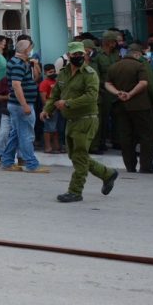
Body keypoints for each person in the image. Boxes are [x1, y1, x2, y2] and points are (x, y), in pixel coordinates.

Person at [42, 42, 119, 202]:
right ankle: (107, 173)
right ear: (68, 55)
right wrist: (47, 109)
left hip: (86, 119)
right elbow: (55, 94)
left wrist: (68, 103)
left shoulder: (90, 74)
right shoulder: (63, 73)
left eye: (80, 54)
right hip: (71, 120)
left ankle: (75, 191)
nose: (78, 57)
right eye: (74, 54)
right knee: (75, 155)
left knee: (80, 155)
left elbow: (91, 96)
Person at [105, 43, 153, 174]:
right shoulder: (140, 65)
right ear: (137, 54)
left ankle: (130, 166)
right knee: (146, 136)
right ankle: (146, 166)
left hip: (120, 106)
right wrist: (131, 94)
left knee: (126, 137)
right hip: (140, 106)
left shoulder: (114, 66)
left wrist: (118, 93)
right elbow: (144, 83)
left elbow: (107, 83)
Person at [0, 39, 49, 174]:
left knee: (16, 134)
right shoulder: (17, 64)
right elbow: (16, 85)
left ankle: (7, 161)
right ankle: (31, 164)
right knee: (26, 135)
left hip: (18, 104)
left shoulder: (20, 62)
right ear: (26, 50)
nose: (31, 51)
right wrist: (25, 105)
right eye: (30, 48)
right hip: (21, 105)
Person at [39, 65, 60, 154]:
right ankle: (48, 147)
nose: (53, 73)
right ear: (45, 73)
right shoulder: (44, 83)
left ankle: (56, 147)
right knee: (48, 129)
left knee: (55, 129)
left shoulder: (56, 82)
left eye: (53, 71)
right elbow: (43, 98)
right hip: (49, 109)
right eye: (50, 72)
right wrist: (47, 109)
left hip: (57, 108)